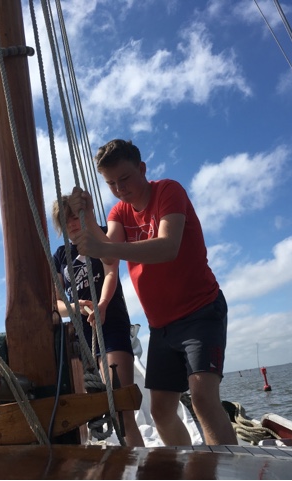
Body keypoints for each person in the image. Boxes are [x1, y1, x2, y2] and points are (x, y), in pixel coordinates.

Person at [69, 139, 238, 446]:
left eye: (124, 178)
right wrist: (90, 217)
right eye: (110, 183)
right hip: (161, 327)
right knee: (161, 411)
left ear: (142, 169)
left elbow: (167, 247)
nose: (119, 188)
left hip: (201, 312)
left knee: (202, 398)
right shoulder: (119, 212)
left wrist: (107, 247)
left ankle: (228, 469)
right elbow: (109, 256)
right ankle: (189, 467)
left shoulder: (168, 191)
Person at [52, 195, 145, 447]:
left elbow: (111, 271)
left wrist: (101, 305)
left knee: (121, 411)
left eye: (75, 216)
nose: (72, 223)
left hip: (110, 325)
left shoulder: (102, 236)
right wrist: (77, 307)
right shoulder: (60, 256)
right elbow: (57, 304)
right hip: (79, 340)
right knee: (87, 412)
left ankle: (143, 466)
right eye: (65, 220)